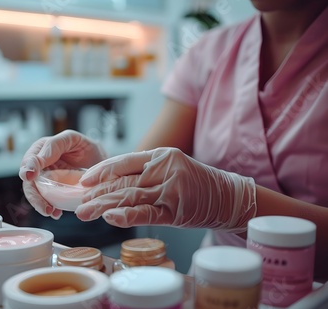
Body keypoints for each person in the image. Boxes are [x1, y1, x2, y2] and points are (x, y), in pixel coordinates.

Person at [19, 0, 328, 281]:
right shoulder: (210, 52)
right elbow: (145, 171)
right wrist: (96, 169)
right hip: (214, 286)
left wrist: (236, 206)